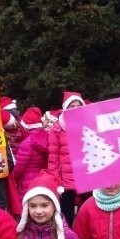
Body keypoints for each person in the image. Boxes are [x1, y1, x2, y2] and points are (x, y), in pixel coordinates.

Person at [48, 91, 87, 226]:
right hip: (66, 180)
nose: (75, 108)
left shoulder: (88, 125)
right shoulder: (57, 129)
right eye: (72, 106)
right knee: (67, 216)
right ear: (66, 108)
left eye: (78, 105)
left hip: (85, 176)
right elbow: (53, 158)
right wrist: (55, 179)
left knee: (86, 213)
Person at [13, 106, 49, 202]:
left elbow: (19, 168)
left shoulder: (27, 143)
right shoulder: (48, 137)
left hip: (28, 183)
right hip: (44, 180)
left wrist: (13, 179)